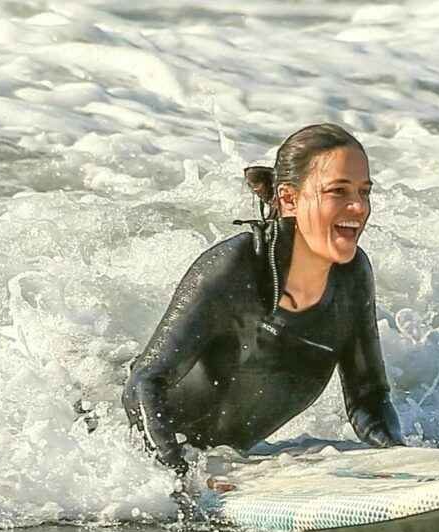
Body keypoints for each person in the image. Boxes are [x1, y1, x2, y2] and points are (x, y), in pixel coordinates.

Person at [122, 123, 403, 475]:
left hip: (219, 464)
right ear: (288, 199)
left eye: (364, 192)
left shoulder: (352, 276)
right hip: (120, 454)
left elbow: (369, 400)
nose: (358, 207)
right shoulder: (234, 267)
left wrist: (401, 461)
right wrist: (177, 478)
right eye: (338, 192)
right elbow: (143, 384)